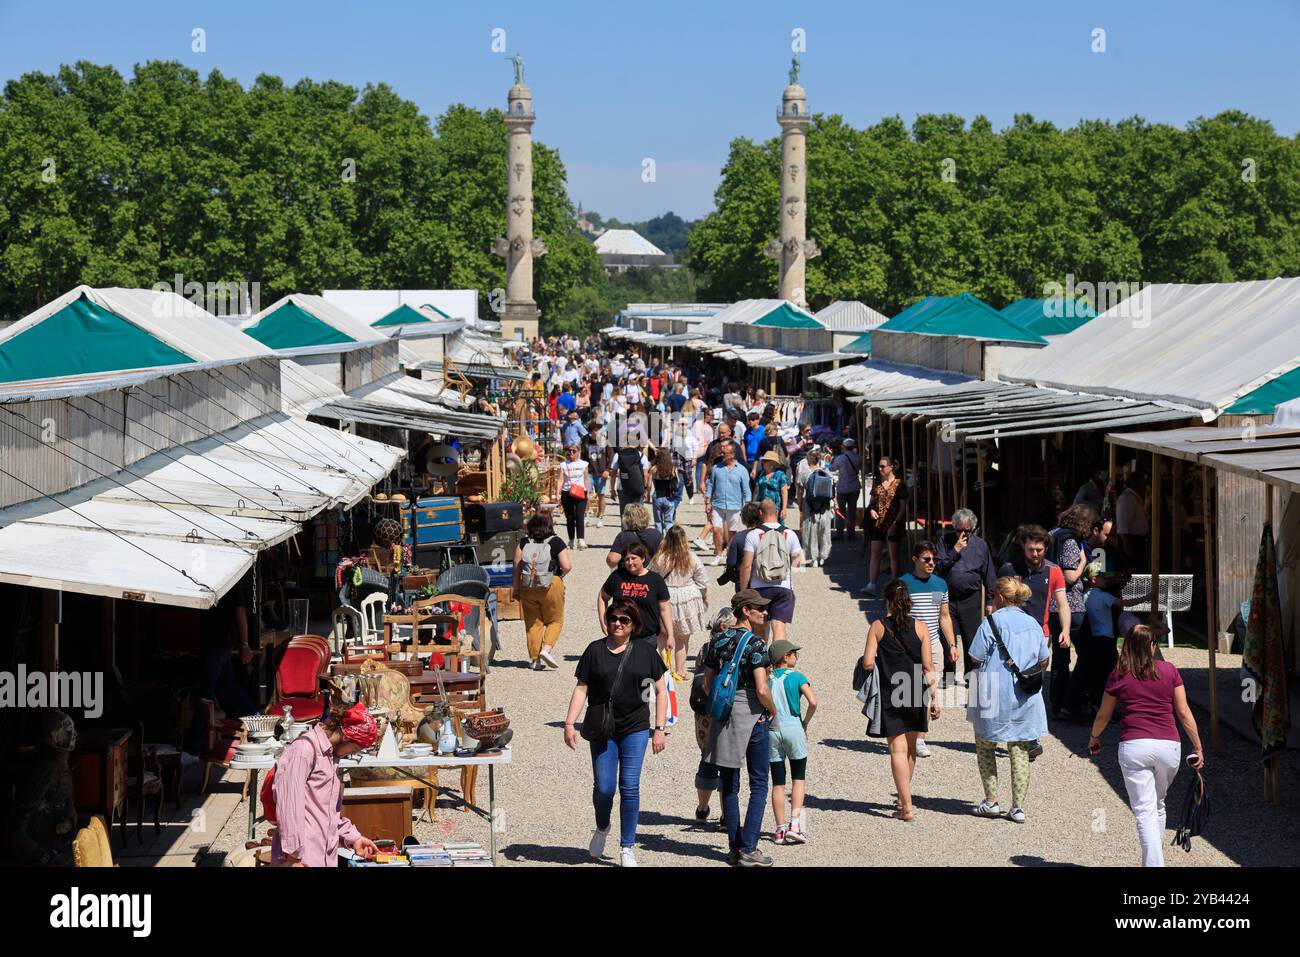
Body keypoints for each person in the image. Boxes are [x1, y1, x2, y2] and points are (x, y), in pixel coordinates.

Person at [1089, 625, 1205, 867]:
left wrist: (1094, 737)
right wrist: (1197, 747)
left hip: (1134, 746)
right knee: (1158, 803)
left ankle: (1154, 865)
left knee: (1144, 810)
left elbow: (1104, 714)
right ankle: (1153, 859)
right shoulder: (1170, 670)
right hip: (1169, 746)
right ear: (1153, 646)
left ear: (1127, 645)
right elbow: (1183, 712)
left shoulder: (1118, 673)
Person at [565, 599, 668, 868]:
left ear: (633, 624)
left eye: (624, 620)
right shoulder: (594, 650)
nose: (617, 624)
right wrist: (568, 723)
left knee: (630, 787)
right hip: (603, 728)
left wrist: (660, 729)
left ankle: (627, 847)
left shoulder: (646, 652)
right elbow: (581, 688)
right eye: (613, 618)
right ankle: (602, 827)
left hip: (635, 727)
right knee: (604, 787)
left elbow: (661, 691)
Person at [700, 590, 778, 866]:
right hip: (753, 712)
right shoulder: (756, 644)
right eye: (760, 608)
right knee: (759, 783)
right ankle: (749, 847)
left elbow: (708, 683)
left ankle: (735, 848)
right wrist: (772, 710)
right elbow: (762, 688)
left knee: (729, 782)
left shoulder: (717, 639)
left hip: (725, 712)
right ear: (746, 610)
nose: (764, 612)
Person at [965, 578, 1050, 824]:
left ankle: (991, 801)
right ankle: (1018, 808)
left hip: (993, 691)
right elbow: (1044, 659)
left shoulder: (991, 622)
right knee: (1020, 749)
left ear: (1001, 597)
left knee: (985, 746)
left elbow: (975, 656)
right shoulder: (1032, 623)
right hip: (1025, 694)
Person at [862, 580, 940, 822]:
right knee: (911, 749)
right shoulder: (922, 628)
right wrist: (935, 697)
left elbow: (867, 663)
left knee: (897, 749)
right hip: (916, 690)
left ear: (887, 601)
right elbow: (928, 666)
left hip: (890, 692)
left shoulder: (878, 626)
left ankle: (906, 807)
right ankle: (902, 798)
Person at [271, 702, 381, 866]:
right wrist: (293, 856)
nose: (354, 753)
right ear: (346, 737)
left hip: (322, 855)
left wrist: (354, 838)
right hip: (301, 859)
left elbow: (327, 812)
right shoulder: (303, 750)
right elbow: (289, 807)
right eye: (356, 748)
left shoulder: (330, 757)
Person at [998, 524, 1068, 760]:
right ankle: (1015, 733)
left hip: (1040, 633)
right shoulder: (1009, 568)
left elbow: (1063, 603)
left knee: (1033, 683)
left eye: (1039, 549)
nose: (1035, 553)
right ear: (1023, 547)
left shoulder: (1054, 571)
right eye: (1031, 549)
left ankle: (1030, 735)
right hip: (1011, 634)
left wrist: (1065, 629)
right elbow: (997, 600)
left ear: (1046, 547)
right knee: (1011, 683)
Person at [896, 540, 956, 756]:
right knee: (909, 690)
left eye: (934, 560)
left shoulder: (940, 584)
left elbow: (945, 616)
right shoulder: (903, 584)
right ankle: (905, 731)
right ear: (915, 560)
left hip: (933, 644)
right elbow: (895, 616)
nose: (931, 563)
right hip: (909, 644)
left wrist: (951, 644)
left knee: (929, 689)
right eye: (927, 559)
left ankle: (920, 737)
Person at [935, 508, 997, 685]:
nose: (963, 534)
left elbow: (989, 574)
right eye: (959, 530)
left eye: (967, 530)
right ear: (954, 527)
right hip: (948, 598)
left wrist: (991, 600)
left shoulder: (980, 545)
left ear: (973, 529)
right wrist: (955, 550)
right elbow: (938, 567)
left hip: (971, 598)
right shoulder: (945, 541)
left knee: (972, 638)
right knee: (947, 638)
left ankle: (971, 674)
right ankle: (948, 674)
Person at [1048, 504, 1097, 717]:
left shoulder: (1052, 534)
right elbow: (1069, 576)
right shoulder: (1069, 541)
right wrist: (1083, 562)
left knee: (1060, 657)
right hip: (1071, 604)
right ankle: (1072, 700)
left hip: (1051, 604)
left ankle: (1057, 705)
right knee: (1088, 654)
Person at [767, 638, 816, 845]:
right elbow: (813, 701)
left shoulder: (766, 678)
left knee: (777, 783)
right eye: (794, 653)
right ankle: (795, 824)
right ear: (785, 658)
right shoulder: (797, 677)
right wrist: (805, 722)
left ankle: (779, 830)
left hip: (771, 730)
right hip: (793, 727)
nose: (796, 656)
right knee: (798, 778)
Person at [513, 510, 573, 670]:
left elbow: (517, 566)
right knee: (555, 620)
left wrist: (516, 588)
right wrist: (558, 576)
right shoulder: (556, 542)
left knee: (533, 623)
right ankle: (546, 650)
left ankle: (534, 660)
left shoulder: (524, 542)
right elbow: (567, 566)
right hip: (551, 584)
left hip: (528, 585)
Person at [739, 499, 804, 644]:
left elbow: (747, 565)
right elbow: (797, 563)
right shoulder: (789, 534)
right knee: (779, 627)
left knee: (760, 629)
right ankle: (780, 663)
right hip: (783, 587)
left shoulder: (753, 535)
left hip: (759, 588)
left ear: (760, 513)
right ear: (777, 512)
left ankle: (760, 662)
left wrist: (744, 591)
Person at [651, 525, 710, 680]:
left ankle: (664, 669)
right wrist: (702, 595)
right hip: (687, 597)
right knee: (682, 638)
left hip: (665, 596)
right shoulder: (691, 557)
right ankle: (680, 670)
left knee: (663, 635)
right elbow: (703, 581)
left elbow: (651, 576)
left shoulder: (660, 557)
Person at [599, 542, 673, 650]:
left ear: (643, 558)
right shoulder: (617, 576)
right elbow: (602, 597)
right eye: (627, 559)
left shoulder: (655, 580)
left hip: (647, 637)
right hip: (619, 635)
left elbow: (665, 609)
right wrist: (604, 621)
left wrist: (670, 635)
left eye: (633, 558)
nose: (630, 562)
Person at [704, 437, 752, 567]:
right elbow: (711, 485)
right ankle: (719, 555)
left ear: (732, 454)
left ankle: (729, 556)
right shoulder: (716, 468)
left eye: (724, 453)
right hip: (718, 505)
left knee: (732, 533)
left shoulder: (742, 470)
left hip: (735, 506)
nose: (722, 455)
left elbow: (746, 490)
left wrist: (747, 506)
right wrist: (707, 502)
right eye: (722, 452)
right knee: (716, 530)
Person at [862, 455, 906, 595]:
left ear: (891, 467)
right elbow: (871, 503)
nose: (880, 469)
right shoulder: (878, 484)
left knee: (894, 554)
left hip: (894, 524)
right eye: (879, 466)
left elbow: (903, 506)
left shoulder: (899, 484)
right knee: (875, 553)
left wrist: (896, 522)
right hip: (878, 524)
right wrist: (872, 511)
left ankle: (895, 586)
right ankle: (871, 584)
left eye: (882, 466)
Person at [798, 449, 835, 568]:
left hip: (809, 505)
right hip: (824, 506)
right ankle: (823, 556)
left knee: (811, 530)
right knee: (824, 530)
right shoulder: (825, 472)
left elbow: (799, 491)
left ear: (808, 459)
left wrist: (800, 505)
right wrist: (836, 503)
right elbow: (832, 491)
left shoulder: (804, 473)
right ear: (819, 459)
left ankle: (813, 558)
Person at [607, 502, 663, 569]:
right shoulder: (656, 534)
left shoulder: (623, 536)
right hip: (651, 574)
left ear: (626, 519)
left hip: (629, 575)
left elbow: (612, 561)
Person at [1114, 473, 1151, 572]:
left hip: (1139, 541)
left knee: (1141, 570)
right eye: (1142, 483)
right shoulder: (1126, 498)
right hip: (1132, 540)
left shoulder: (1135, 498)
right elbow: (1122, 524)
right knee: (1133, 571)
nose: (1145, 486)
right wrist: (1126, 544)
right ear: (1135, 483)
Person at [558, 444, 590, 549]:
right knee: (570, 518)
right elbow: (561, 479)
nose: (571, 452)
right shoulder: (563, 465)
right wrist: (558, 493)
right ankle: (571, 540)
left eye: (574, 451)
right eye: (569, 450)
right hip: (567, 492)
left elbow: (586, 478)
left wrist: (588, 492)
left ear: (579, 452)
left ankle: (581, 539)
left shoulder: (584, 464)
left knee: (580, 516)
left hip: (580, 492)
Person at [830, 438, 862, 541]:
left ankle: (839, 534)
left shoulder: (840, 458)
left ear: (844, 447)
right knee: (852, 511)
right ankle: (851, 534)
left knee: (841, 511)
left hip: (843, 488)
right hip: (854, 487)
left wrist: (833, 458)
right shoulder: (858, 458)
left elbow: (832, 468)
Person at [650, 446, 682, 532]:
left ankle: (659, 541)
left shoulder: (654, 469)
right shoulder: (672, 468)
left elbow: (650, 484)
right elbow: (677, 483)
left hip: (657, 495)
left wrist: (647, 493)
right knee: (669, 522)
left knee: (658, 522)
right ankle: (669, 542)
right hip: (669, 496)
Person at [614, 441, 651, 514]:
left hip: (623, 488)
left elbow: (613, 474)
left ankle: (625, 525)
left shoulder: (618, 455)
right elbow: (646, 475)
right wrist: (646, 490)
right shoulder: (642, 456)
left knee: (625, 513)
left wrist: (612, 489)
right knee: (638, 513)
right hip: (638, 488)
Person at [753, 449, 791, 521]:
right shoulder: (761, 474)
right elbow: (756, 491)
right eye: (763, 460)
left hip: (775, 508)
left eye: (765, 461)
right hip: (762, 507)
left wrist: (784, 509)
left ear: (772, 463)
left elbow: (784, 493)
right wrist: (753, 504)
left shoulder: (780, 475)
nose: (763, 462)